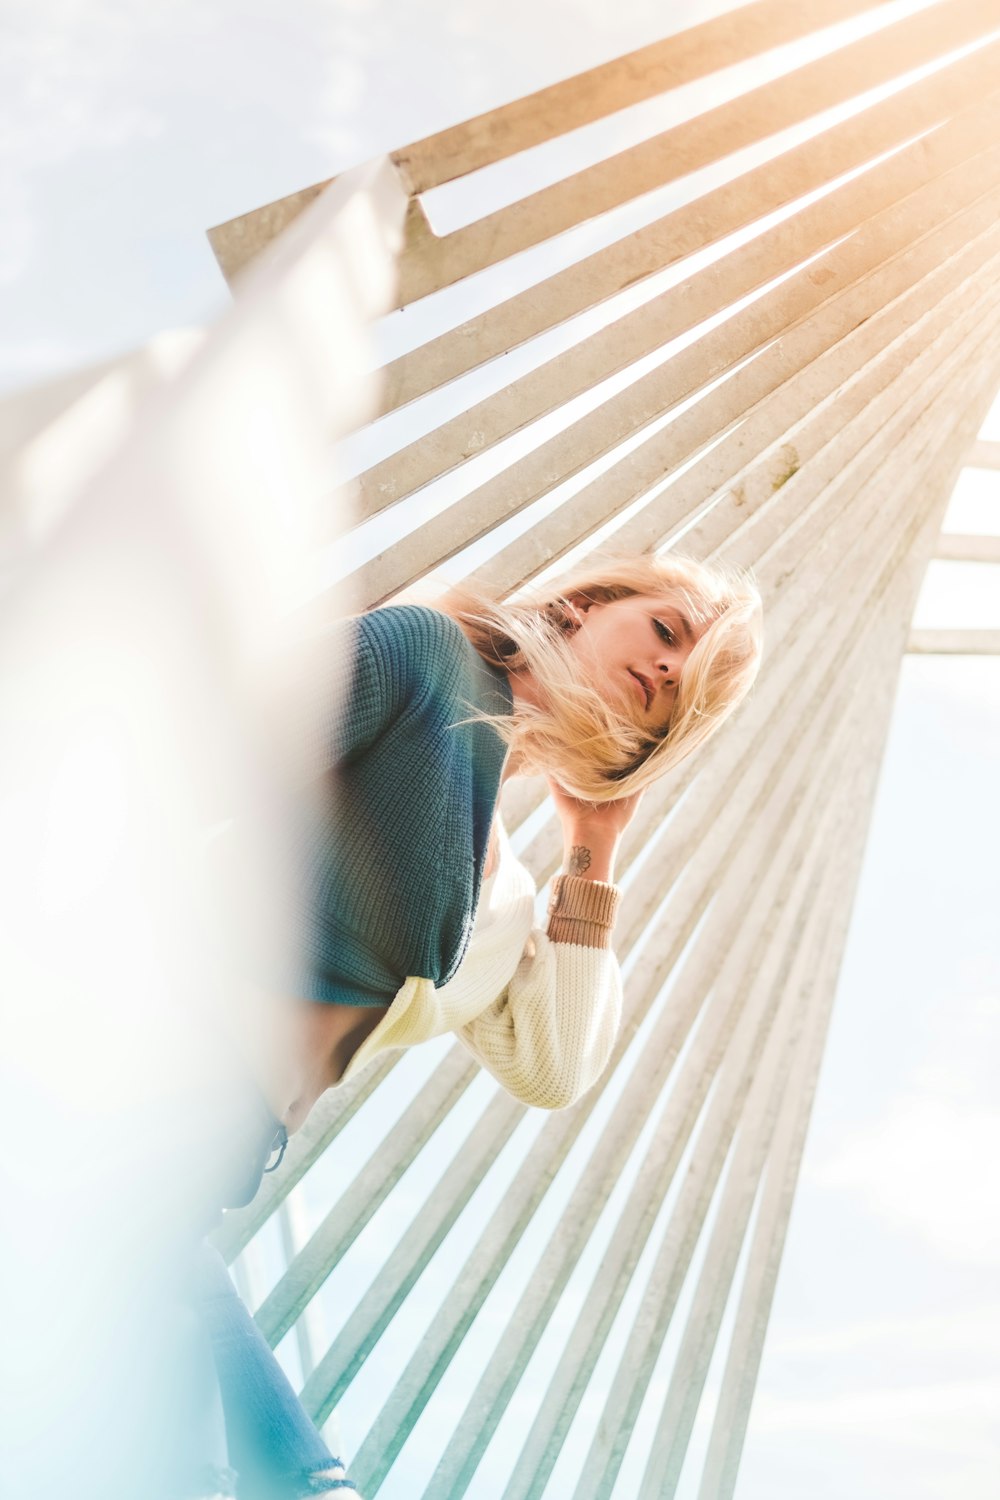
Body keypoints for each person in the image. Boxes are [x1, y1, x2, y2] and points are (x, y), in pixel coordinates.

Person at [195, 550, 763, 1500]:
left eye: (679, 692)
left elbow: (552, 1067)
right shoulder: (422, 653)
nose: (667, 670)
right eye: (667, 632)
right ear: (582, 607)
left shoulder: (497, 904)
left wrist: (596, 849)